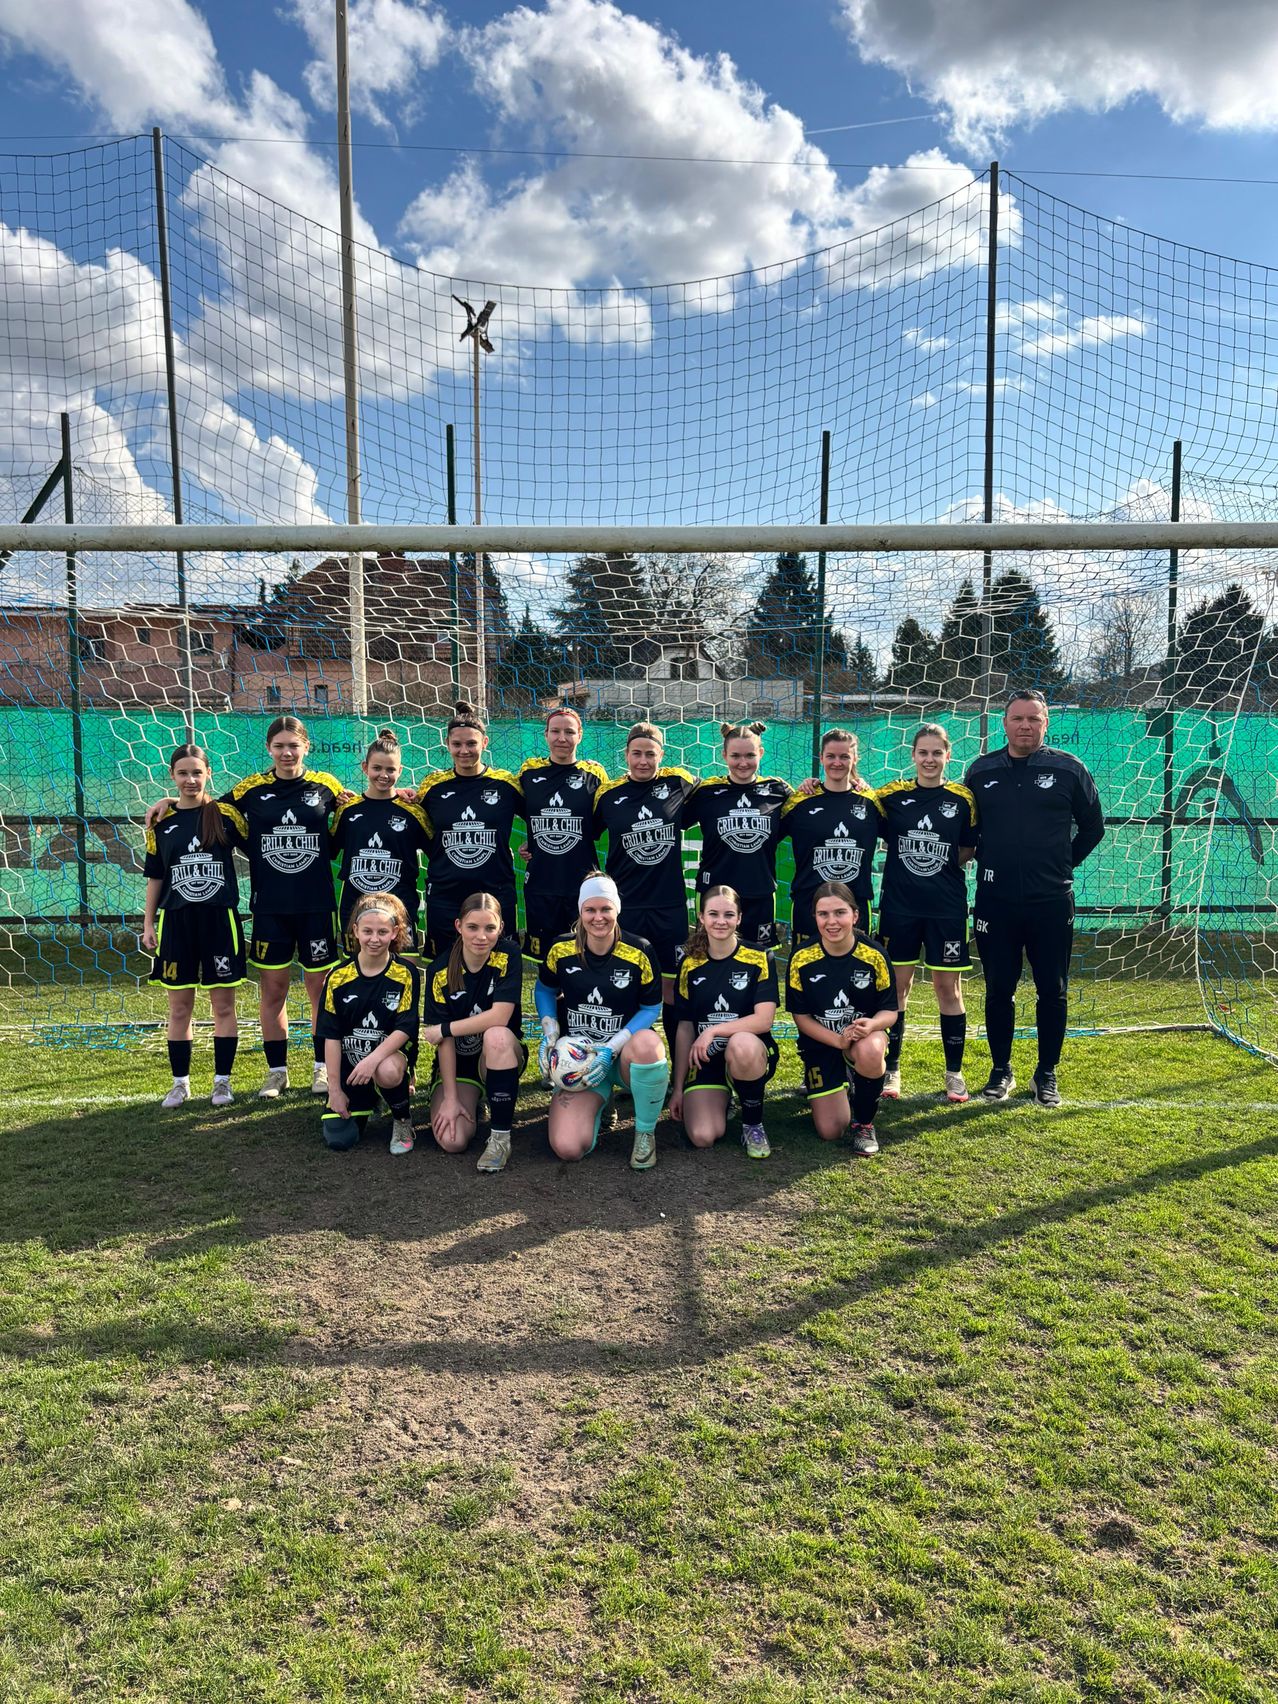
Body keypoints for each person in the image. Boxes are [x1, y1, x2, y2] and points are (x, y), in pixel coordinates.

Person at [145, 714, 352, 1099]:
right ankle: (277, 1072)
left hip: (316, 906)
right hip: (269, 907)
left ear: (306, 747)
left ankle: (322, 1069)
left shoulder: (327, 786)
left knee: (319, 991)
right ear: (269, 749)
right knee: (272, 993)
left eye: (294, 745)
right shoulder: (250, 790)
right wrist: (170, 799)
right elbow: (202, 807)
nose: (287, 752)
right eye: (279, 746)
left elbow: (355, 812)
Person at [964, 689, 1105, 1107]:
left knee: (1053, 990)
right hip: (995, 901)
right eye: (1018, 718)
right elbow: (964, 827)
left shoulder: (1069, 769)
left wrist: (1061, 867)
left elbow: (1093, 828)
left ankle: (1046, 1073)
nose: (1025, 725)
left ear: (1046, 724)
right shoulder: (980, 771)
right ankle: (1000, 1070)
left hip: (1050, 902)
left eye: (1034, 719)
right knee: (998, 990)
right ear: (1004, 723)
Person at [535, 873, 670, 1170]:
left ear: (617, 910)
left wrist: (613, 1046)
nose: (598, 918)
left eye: (605, 909)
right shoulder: (561, 949)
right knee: (568, 1147)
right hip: (580, 1061)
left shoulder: (640, 950)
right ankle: (600, 1104)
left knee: (649, 1045)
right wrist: (550, 1030)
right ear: (581, 912)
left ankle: (645, 1134)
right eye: (590, 910)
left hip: (621, 1057)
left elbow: (651, 1007)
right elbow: (544, 988)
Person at [873, 724, 977, 1104]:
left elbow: (967, 849)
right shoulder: (893, 796)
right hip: (899, 908)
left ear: (947, 756)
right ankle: (892, 1069)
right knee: (898, 988)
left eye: (937, 753)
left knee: (947, 989)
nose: (930, 760)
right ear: (913, 756)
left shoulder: (963, 799)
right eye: (923, 753)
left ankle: (954, 1073)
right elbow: (857, 799)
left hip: (946, 908)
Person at [141, 743, 248, 1109]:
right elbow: (155, 877)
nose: (190, 779)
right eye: (183, 773)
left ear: (208, 774)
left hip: (220, 921)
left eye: (196, 773)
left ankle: (222, 1083)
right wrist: (148, 924)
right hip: (177, 923)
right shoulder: (162, 825)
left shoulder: (224, 816)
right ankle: (180, 1084)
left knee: (222, 1007)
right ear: (172, 775)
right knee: (179, 1008)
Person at [592, 721, 697, 1057]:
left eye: (650, 754)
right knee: (626, 988)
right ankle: (630, 1062)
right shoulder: (607, 796)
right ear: (626, 754)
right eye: (636, 753)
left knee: (672, 990)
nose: (643, 760)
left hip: (670, 907)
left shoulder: (678, 784)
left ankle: (679, 1069)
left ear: (661, 755)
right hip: (627, 908)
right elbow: (582, 839)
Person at [785, 880, 898, 1156]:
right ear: (814, 917)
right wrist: (838, 1041)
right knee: (831, 1130)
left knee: (872, 1050)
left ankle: (864, 1124)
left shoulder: (874, 956)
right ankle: (844, 1080)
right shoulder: (801, 958)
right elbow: (801, 1017)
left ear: (855, 915)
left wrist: (872, 1024)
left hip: (862, 1038)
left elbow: (890, 1012)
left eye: (840, 913)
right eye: (823, 914)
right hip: (824, 1043)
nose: (832, 921)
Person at [669, 885, 779, 1159]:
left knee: (741, 1044)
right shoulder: (690, 963)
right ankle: (723, 1097)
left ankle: (752, 1124)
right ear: (702, 917)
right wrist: (679, 1088)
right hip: (705, 1059)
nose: (721, 921)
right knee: (703, 1136)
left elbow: (764, 1020)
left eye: (729, 914)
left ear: (739, 918)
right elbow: (684, 1028)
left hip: (746, 1052)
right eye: (713, 914)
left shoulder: (759, 957)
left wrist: (715, 1031)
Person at [421, 892, 526, 1173]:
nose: (482, 936)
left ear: (501, 928)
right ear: (458, 927)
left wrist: (445, 1028)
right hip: (460, 1064)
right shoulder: (439, 970)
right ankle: (472, 1100)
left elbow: (500, 1016)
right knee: (451, 1140)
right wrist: (451, 1098)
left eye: (490, 928)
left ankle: (500, 1139)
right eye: (473, 927)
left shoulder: (509, 956)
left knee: (496, 1035)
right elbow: (444, 1044)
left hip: (501, 1054)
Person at [316, 892, 420, 1154]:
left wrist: (372, 1060)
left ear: (395, 932)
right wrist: (335, 1089)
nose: (375, 939)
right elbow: (330, 1035)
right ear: (355, 931)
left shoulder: (405, 974)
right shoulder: (338, 977)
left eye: (383, 932)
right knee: (340, 1139)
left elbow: (405, 1028)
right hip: (352, 1068)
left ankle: (402, 1119)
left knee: (387, 1069)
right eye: (368, 931)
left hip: (384, 1059)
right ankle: (369, 1099)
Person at [417, 703, 522, 958]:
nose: (464, 751)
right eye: (457, 744)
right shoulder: (432, 786)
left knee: (500, 967)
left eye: (472, 744)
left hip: (495, 893)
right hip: (445, 893)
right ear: (447, 743)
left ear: (484, 742)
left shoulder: (506, 784)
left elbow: (542, 814)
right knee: (444, 968)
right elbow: (411, 819)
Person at [684, 722, 792, 947]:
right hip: (714, 893)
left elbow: (812, 807)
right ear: (723, 755)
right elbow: (668, 813)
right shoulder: (706, 792)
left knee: (760, 961)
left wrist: (850, 782)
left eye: (750, 755)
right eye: (735, 755)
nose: (743, 763)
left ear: (761, 753)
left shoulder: (777, 790)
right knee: (708, 956)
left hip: (759, 892)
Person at [517, 706, 608, 958]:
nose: (562, 738)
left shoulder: (595, 774)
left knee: (583, 955)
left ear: (580, 735)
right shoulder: (529, 772)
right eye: (555, 731)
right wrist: (532, 840)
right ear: (545, 735)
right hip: (540, 882)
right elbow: (520, 811)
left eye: (569, 732)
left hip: (582, 883)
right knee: (544, 960)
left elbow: (598, 824)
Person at [331, 729, 431, 954]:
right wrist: (333, 801)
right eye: (377, 768)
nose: (383, 775)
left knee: (404, 973)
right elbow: (327, 848)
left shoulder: (413, 812)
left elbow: (439, 851)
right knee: (355, 974)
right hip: (355, 908)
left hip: (400, 908)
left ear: (400, 771)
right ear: (365, 767)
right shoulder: (347, 811)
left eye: (390, 769)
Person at [780, 728, 882, 945]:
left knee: (858, 975)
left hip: (855, 904)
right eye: (831, 756)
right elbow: (765, 839)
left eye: (845, 756)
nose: (837, 762)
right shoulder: (800, 801)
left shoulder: (871, 802)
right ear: (821, 758)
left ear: (855, 759)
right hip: (808, 904)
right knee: (805, 972)